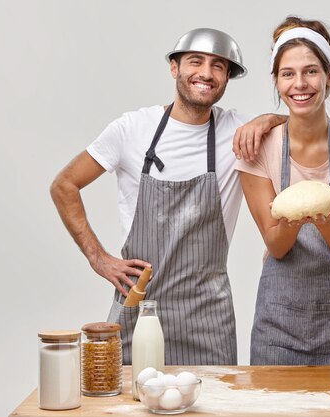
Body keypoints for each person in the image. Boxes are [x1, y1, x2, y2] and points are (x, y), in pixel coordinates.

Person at [50, 28, 285, 366]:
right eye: (195, 62)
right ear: (174, 68)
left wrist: (268, 119)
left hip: (208, 320)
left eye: (218, 66)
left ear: (227, 78)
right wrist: (97, 258)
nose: (206, 73)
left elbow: (313, 125)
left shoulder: (238, 132)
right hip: (140, 309)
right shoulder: (131, 129)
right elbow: (64, 185)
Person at [235, 17, 330, 365]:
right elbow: (276, 245)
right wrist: (295, 217)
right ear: (275, 80)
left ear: (329, 76)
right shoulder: (257, 150)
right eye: (287, 74)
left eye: (311, 71)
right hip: (278, 327)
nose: (299, 83)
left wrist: (323, 220)